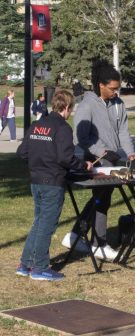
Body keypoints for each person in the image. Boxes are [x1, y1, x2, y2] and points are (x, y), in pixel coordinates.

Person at [61, 60, 135, 261]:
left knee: (100, 199)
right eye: (112, 88)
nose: (115, 92)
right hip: (95, 159)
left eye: (117, 88)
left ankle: (75, 235)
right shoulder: (87, 105)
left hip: (112, 160)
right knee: (102, 201)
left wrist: (130, 153)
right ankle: (99, 244)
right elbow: (80, 137)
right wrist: (101, 152)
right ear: (101, 85)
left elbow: (123, 131)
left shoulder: (118, 104)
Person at [16, 90, 92, 281]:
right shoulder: (63, 128)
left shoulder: (37, 124)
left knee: (39, 222)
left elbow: (22, 152)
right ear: (67, 107)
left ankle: (25, 264)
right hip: (52, 182)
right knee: (46, 225)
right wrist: (84, 166)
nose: (70, 113)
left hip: (36, 180)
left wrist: (39, 163)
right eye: (71, 109)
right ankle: (40, 267)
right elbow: (65, 157)